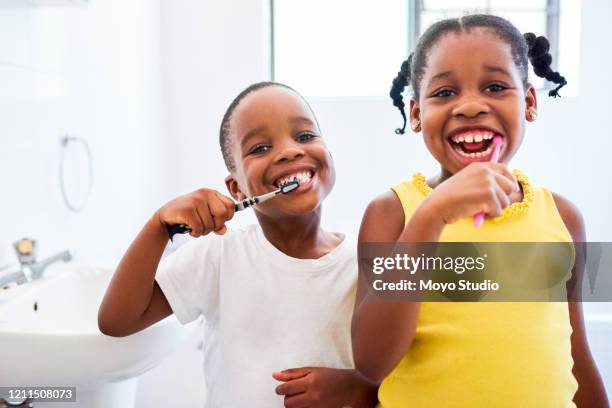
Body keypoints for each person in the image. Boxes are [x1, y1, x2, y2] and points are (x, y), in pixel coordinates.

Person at [351, 14, 609, 408]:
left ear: (529, 102)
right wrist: (431, 216)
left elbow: (576, 354)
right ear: (417, 113)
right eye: (444, 93)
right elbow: (371, 360)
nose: (470, 106)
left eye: (494, 87)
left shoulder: (564, 217)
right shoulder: (393, 213)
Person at [98, 82, 378, 407]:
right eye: (260, 148)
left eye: (305, 136)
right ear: (237, 189)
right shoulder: (219, 254)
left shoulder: (365, 262)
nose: (289, 151)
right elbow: (116, 321)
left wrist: (360, 388)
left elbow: (415, 362)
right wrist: (157, 226)